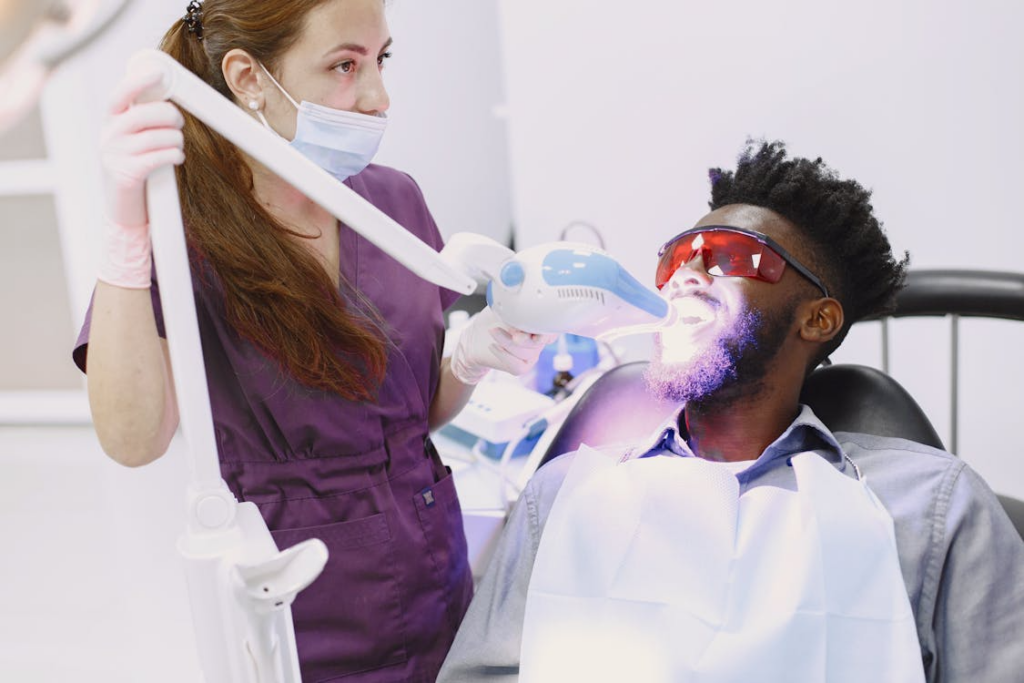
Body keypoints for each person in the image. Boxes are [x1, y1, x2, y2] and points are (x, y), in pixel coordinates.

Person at [72, 1, 553, 680]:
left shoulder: (393, 202)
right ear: (248, 77)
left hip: (436, 587)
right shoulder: (186, 236)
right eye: (344, 66)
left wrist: (471, 358)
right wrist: (126, 231)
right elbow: (133, 438)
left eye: (380, 59)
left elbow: (411, 414)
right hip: (295, 612)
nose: (379, 97)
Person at [438, 140, 1024, 682]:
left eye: (729, 257)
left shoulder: (932, 508)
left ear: (817, 319)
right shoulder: (562, 494)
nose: (688, 274)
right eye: (677, 260)